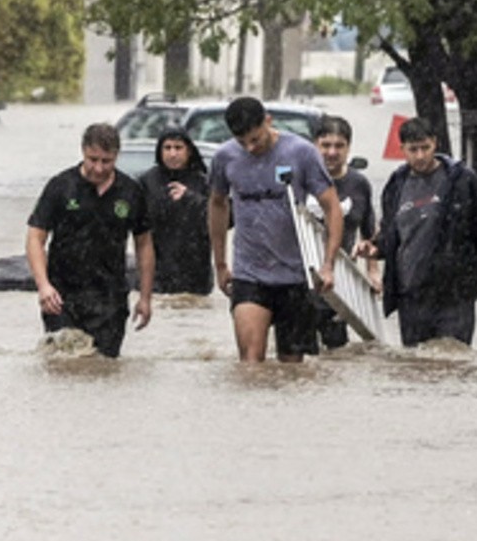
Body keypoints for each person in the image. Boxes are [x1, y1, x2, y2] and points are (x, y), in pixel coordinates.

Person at [207, 97, 345, 362]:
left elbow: (332, 208)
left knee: (291, 371)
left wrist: (328, 264)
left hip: (295, 275)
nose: (250, 147)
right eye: (242, 142)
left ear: (268, 121)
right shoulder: (225, 157)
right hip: (249, 273)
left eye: (256, 139)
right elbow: (217, 204)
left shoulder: (301, 153)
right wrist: (220, 263)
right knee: (250, 363)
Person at [354, 116, 477, 347]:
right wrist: (373, 249)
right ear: (402, 150)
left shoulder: (461, 180)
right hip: (411, 295)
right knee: (415, 367)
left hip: (454, 295)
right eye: (413, 149)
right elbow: (391, 236)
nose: (420, 156)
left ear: (435, 144)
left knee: (453, 361)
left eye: (425, 148)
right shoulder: (397, 184)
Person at [25, 123, 155, 358]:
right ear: (82, 151)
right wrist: (43, 286)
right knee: (64, 367)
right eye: (92, 159)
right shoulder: (61, 186)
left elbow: (144, 244)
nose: (98, 168)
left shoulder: (131, 192)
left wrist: (145, 297)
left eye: (106, 161)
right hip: (61, 296)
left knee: (103, 369)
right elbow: (35, 237)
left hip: (110, 298)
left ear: (117, 155)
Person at [306, 115, 380, 350]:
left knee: (337, 356)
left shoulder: (359, 185)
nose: (332, 152)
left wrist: (373, 272)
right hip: (297, 284)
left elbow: (369, 234)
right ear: (314, 145)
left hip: (338, 287)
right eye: (325, 145)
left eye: (339, 146)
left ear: (349, 148)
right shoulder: (300, 181)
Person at [137, 126, 212, 295]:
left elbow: (225, 219)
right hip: (157, 272)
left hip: (196, 273)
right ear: (159, 151)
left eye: (178, 148)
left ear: (189, 151)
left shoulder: (203, 182)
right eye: (167, 148)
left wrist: (190, 199)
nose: (172, 154)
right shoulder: (146, 182)